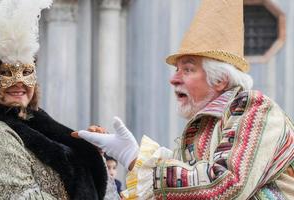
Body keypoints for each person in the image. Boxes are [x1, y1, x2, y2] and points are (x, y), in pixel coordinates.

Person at [72, 0, 294, 199]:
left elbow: (225, 184)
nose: (173, 79)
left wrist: (138, 161)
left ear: (220, 80)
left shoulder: (254, 109)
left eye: (187, 69)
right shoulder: (201, 127)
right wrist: (133, 155)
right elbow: (186, 177)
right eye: (176, 69)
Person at [0, 0, 109, 199]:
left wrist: (90, 152)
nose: (19, 82)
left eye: (26, 72)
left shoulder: (40, 123)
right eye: (6, 73)